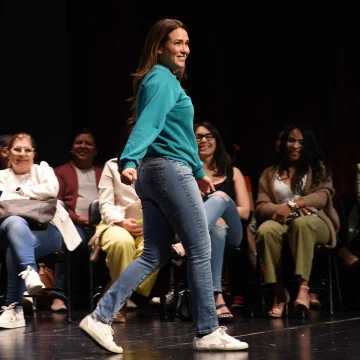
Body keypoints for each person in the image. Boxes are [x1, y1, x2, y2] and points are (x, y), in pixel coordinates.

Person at [78, 18, 248, 353]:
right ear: (160, 47)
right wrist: (128, 159)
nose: (184, 49)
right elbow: (149, 123)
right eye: (177, 43)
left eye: (187, 43)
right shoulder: (162, 79)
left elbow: (176, 133)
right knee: (200, 247)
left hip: (157, 172)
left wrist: (199, 170)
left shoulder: (159, 80)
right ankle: (208, 330)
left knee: (154, 253)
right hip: (168, 171)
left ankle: (100, 316)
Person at [0, 133, 82, 329]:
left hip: (48, 231)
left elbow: (52, 190)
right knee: (15, 222)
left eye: (27, 150)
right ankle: (29, 271)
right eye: (17, 149)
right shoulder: (0, 176)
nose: (22, 154)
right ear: (8, 153)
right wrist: (35, 198)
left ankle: (14, 308)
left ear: (34, 154)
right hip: (5, 234)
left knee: (15, 246)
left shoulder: (43, 170)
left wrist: (19, 193)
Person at [255, 124, 340, 317]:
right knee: (265, 230)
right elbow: (260, 206)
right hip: (281, 221)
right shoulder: (270, 173)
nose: (295, 146)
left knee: (303, 223)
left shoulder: (318, 169)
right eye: (291, 140)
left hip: (315, 220)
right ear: (284, 143)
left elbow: (322, 197)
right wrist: (282, 210)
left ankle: (303, 287)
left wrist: (293, 205)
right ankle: (279, 292)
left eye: (301, 142)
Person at [92, 121, 159, 322]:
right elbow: (105, 204)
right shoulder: (113, 165)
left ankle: (113, 292)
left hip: (150, 223)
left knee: (154, 249)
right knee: (122, 243)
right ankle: (119, 302)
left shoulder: (158, 166)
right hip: (116, 222)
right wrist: (122, 222)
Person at [195, 122, 250, 322]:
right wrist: (212, 219)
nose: (204, 140)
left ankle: (186, 244)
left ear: (217, 141)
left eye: (209, 136)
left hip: (233, 233)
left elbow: (245, 211)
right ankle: (217, 297)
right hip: (206, 234)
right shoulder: (186, 173)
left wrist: (221, 212)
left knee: (220, 198)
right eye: (198, 136)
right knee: (216, 230)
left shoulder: (232, 171)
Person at [53, 129, 103, 311]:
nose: (83, 146)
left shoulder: (103, 171)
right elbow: (56, 204)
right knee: (74, 242)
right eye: (78, 143)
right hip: (73, 223)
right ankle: (59, 295)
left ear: (95, 150)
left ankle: (105, 296)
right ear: (72, 148)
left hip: (102, 223)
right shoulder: (60, 172)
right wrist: (79, 218)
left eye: (88, 143)